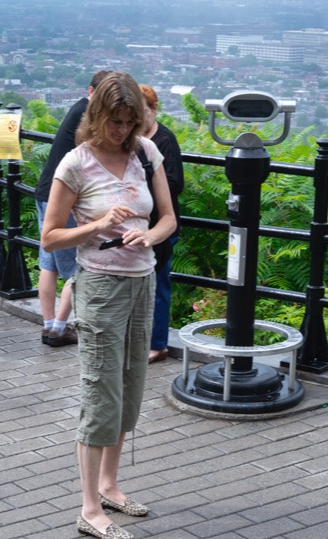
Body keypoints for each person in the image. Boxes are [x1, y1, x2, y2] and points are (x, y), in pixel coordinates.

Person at [41, 72, 176, 539]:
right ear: (96, 117)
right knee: (101, 393)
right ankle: (89, 508)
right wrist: (98, 224)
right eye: (114, 122)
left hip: (143, 280)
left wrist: (148, 234)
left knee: (131, 386)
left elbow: (168, 220)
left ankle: (110, 485)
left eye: (129, 122)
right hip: (98, 284)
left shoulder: (146, 152)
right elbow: (51, 236)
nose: (122, 131)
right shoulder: (74, 165)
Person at [35, 70, 110, 347]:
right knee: (75, 265)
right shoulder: (89, 116)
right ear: (93, 92)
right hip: (63, 196)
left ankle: (48, 325)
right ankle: (58, 328)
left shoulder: (78, 107)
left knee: (49, 263)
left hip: (45, 191)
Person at [139, 84, 184, 364]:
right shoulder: (130, 138)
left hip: (161, 226)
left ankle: (157, 344)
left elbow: (175, 182)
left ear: (153, 110)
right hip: (135, 226)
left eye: (140, 113)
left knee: (159, 286)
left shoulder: (165, 140)